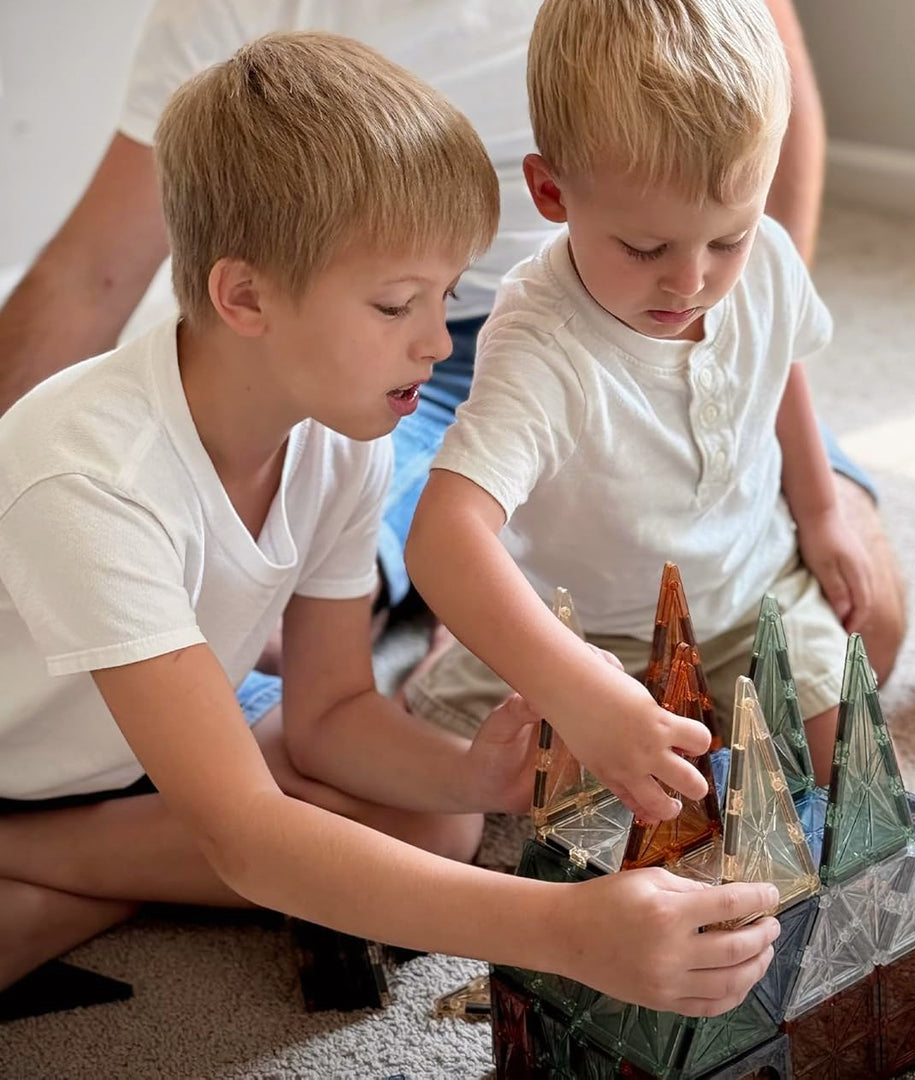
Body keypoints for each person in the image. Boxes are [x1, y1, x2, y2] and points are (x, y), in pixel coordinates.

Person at [0, 32, 783, 1017]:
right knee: (267, 843)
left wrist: (472, 774)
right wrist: (568, 933)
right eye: (397, 304)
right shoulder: (90, 475)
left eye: (447, 297)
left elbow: (328, 717)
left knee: (436, 823)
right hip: (21, 765)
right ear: (244, 295)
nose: (434, 341)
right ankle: (40, 870)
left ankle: (55, 871)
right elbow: (245, 831)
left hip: (115, 743)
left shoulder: (340, 432)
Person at [0, 0, 905, 678]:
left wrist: (722, 316)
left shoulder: (710, 266)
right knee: (256, 633)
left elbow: (770, 122)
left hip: (650, 329)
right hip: (401, 335)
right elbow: (92, 273)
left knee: (863, 622)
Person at [405, 0, 873, 805]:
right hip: (589, 636)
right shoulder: (538, 341)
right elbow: (443, 539)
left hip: (751, 591)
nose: (691, 282)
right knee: (477, 776)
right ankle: (449, 656)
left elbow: (778, 366)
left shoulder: (766, 259)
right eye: (645, 247)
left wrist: (822, 511)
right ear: (552, 192)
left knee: (850, 764)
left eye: (727, 238)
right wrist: (580, 692)